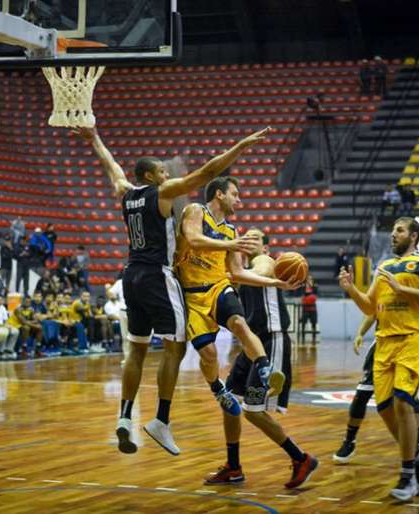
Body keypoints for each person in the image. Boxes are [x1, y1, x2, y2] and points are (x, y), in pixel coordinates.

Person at [77, 124, 272, 457]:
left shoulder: (126, 193)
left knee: (135, 350)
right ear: (151, 177)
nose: (167, 175)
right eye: (162, 171)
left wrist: (94, 138)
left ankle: (124, 416)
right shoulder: (162, 193)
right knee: (176, 348)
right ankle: (161, 420)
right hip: (157, 275)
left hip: (130, 276)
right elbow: (208, 172)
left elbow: (113, 170)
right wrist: (241, 146)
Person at [176, 177, 296, 428]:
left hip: (220, 287)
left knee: (239, 323)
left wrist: (276, 283)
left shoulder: (239, 237)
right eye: (235, 194)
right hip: (193, 295)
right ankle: (217, 388)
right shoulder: (197, 211)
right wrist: (233, 245)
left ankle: (265, 368)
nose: (239, 200)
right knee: (209, 355)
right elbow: (195, 240)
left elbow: (238, 273)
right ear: (219, 194)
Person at [338, 217, 419, 500]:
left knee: (402, 401)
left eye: (399, 230)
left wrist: (402, 290)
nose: (393, 234)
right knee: (384, 407)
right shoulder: (384, 268)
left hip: (414, 337)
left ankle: (407, 475)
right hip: (385, 341)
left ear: (414, 235)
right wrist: (351, 290)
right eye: (393, 230)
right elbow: (370, 307)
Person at [205, 228, 317, 488]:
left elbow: (258, 273)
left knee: (253, 411)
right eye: (247, 237)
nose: (249, 240)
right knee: (229, 401)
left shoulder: (265, 262)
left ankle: (301, 458)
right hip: (251, 345)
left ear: (265, 247)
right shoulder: (241, 270)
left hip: (271, 340)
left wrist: (230, 264)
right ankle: (233, 467)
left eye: (255, 238)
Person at [332, 306, 419, 466]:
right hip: (383, 345)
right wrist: (360, 334)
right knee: (361, 395)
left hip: (409, 344)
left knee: (408, 398)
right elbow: (373, 311)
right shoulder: (384, 284)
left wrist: (418, 319)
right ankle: (349, 441)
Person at [0, 294, 18, 359]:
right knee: (4, 331)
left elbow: (5, 320)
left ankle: (8, 350)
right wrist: (3, 326)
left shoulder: (3, 308)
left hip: (2, 325)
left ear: (3, 301)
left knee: (15, 331)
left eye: (0, 300)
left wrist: (8, 325)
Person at [300, 274, 318, 344]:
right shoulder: (303, 287)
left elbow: (314, 296)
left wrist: (311, 287)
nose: (309, 280)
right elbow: (303, 297)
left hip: (313, 308)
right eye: (308, 279)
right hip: (305, 308)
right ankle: (303, 338)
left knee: (314, 324)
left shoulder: (315, 287)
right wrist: (308, 297)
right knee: (303, 324)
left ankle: (314, 338)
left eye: (311, 279)